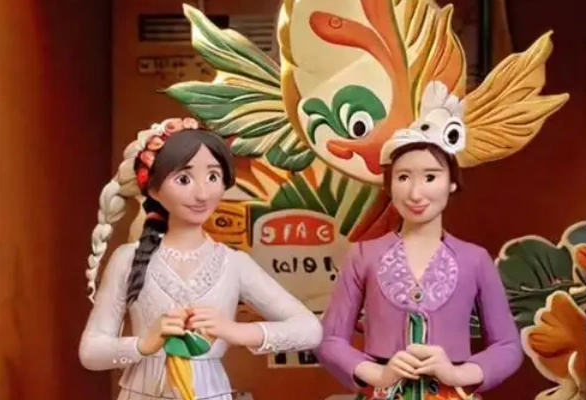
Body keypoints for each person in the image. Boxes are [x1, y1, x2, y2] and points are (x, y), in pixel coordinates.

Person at [79, 117, 323, 400]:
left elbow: (309, 330)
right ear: (153, 189)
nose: (202, 194)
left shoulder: (234, 263)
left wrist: (233, 331)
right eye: (184, 179)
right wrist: (143, 344)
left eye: (213, 177)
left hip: (211, 392)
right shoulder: (127, 259)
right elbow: (91, 351)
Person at [313, 82, 523, 399]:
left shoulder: (475, 259)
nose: (415, 193)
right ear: (389, 186)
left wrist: (457, 373)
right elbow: (330, 341)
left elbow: (507, 346)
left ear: (452, 183)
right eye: (403, 177)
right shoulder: (363, 255)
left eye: (430, 177)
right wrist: (378, 373)